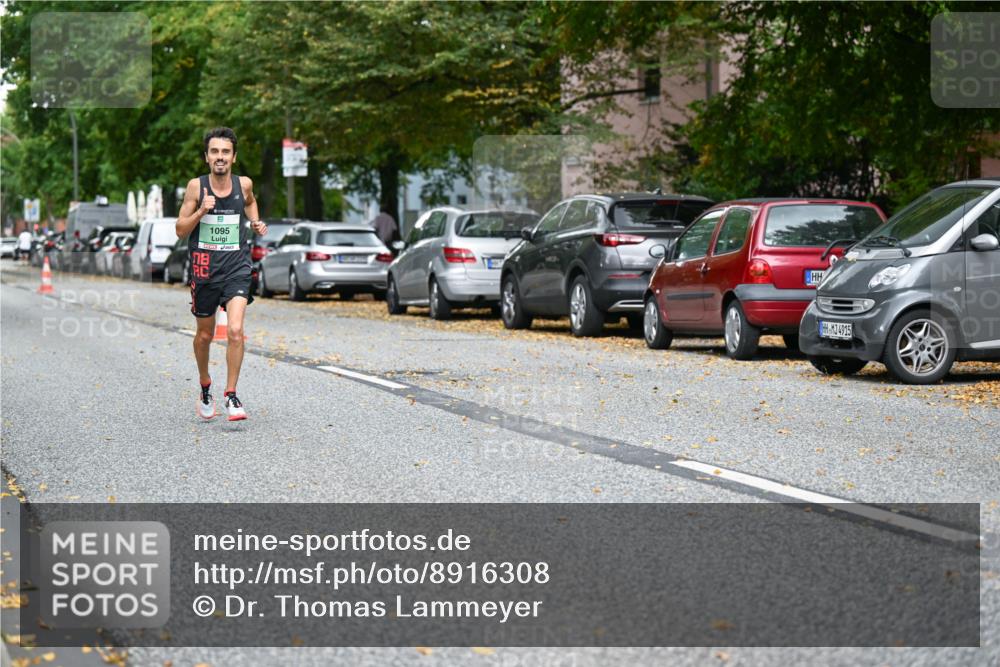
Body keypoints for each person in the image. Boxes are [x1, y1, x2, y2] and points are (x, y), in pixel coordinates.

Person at [175, 127, 267, 421]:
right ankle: (205, 386)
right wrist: (201, 211)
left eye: (225, 152)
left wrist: (255, 222)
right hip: (204, 269)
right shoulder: (196, 188)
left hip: (236, 267)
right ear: (206, 157)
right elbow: (180, 230)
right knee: (205, 335)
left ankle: (231, 395)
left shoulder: (244, 185)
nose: (220, 157)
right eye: (214, 151)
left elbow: (251, 203)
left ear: (234, 157)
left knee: (236, 331)